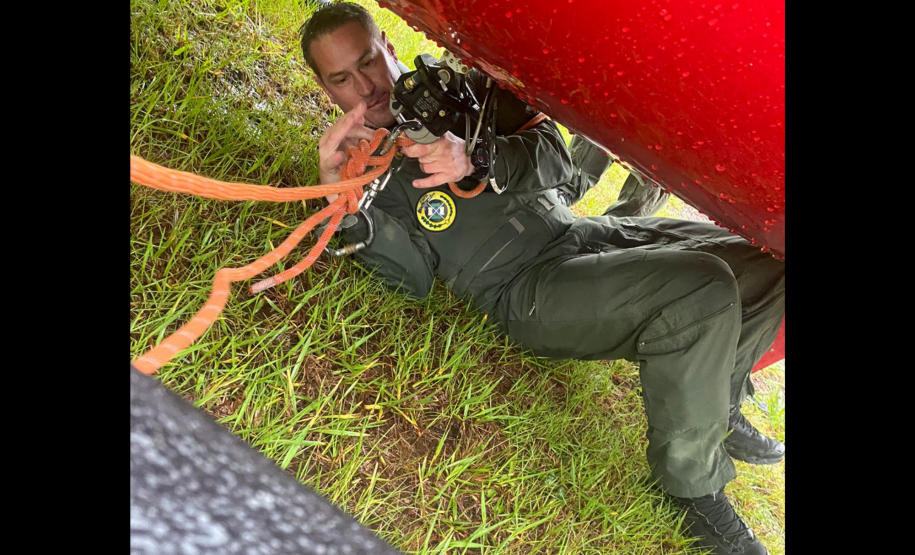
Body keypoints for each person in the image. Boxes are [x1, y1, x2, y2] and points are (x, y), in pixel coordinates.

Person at [300, 4, 784, 554]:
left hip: (578, 234)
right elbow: (408, 282)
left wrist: (476, 157)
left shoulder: (456, 90)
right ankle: (691, 487)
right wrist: (340, 200)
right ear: (326, 89)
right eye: (343, 78)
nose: (366, 87)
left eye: (368, 61)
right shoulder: (360, 169)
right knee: (703, 286)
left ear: (388, 46)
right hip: (526, 289)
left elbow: (559, 160)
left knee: (767, 262)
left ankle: (718, 397)